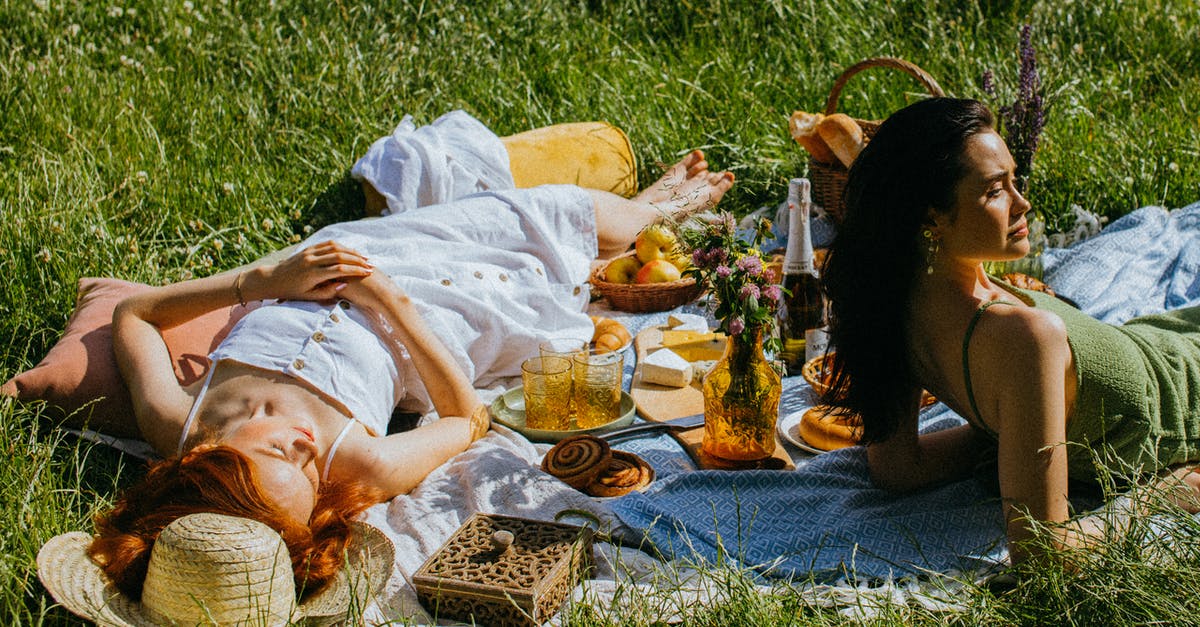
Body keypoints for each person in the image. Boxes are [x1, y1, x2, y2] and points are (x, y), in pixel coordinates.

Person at [86, 111, 735, 604]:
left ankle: (644, 209)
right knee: (566, 241)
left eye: (280, 449)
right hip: (427, 309)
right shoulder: (358, 463)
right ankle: (656, 211)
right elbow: (466, 419)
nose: (306, 442)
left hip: (338, 253)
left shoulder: (178, 423)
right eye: (309, 476)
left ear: (204, 459)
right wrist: (392, 302)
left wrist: (259, 283)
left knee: (573, 217)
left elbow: (134, 313)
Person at [820, 97, 1200, 564]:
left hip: (1173, 358)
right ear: (928, 219)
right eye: (996, 190)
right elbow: (1044, 553)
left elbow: (898, 469)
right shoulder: (1021, 340)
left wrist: (1005, 442)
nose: (1022, 201)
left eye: (1014, 180)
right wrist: (1160, 500)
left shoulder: (892, 301)